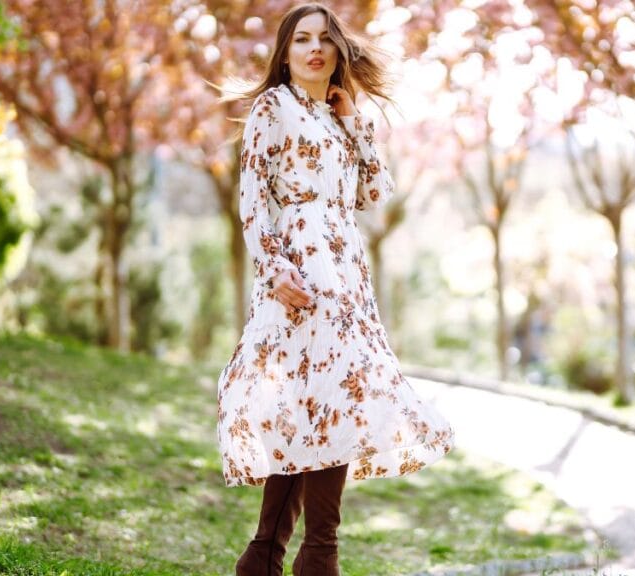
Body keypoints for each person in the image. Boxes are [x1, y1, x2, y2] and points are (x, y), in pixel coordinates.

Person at [216, 4, 455, 575]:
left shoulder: (336, 115)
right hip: (299, 271)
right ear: (286, 52)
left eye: (325, 39)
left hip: (346, 273)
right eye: (301, 40)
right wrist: (275, 271)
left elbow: (374, 190)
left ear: (339, 52)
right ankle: (300, 556)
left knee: (331, 405)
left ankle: (285, 556)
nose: (315, 48)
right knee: (311, 406)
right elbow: (251, 198)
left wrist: (353, 121)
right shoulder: (272, 108)